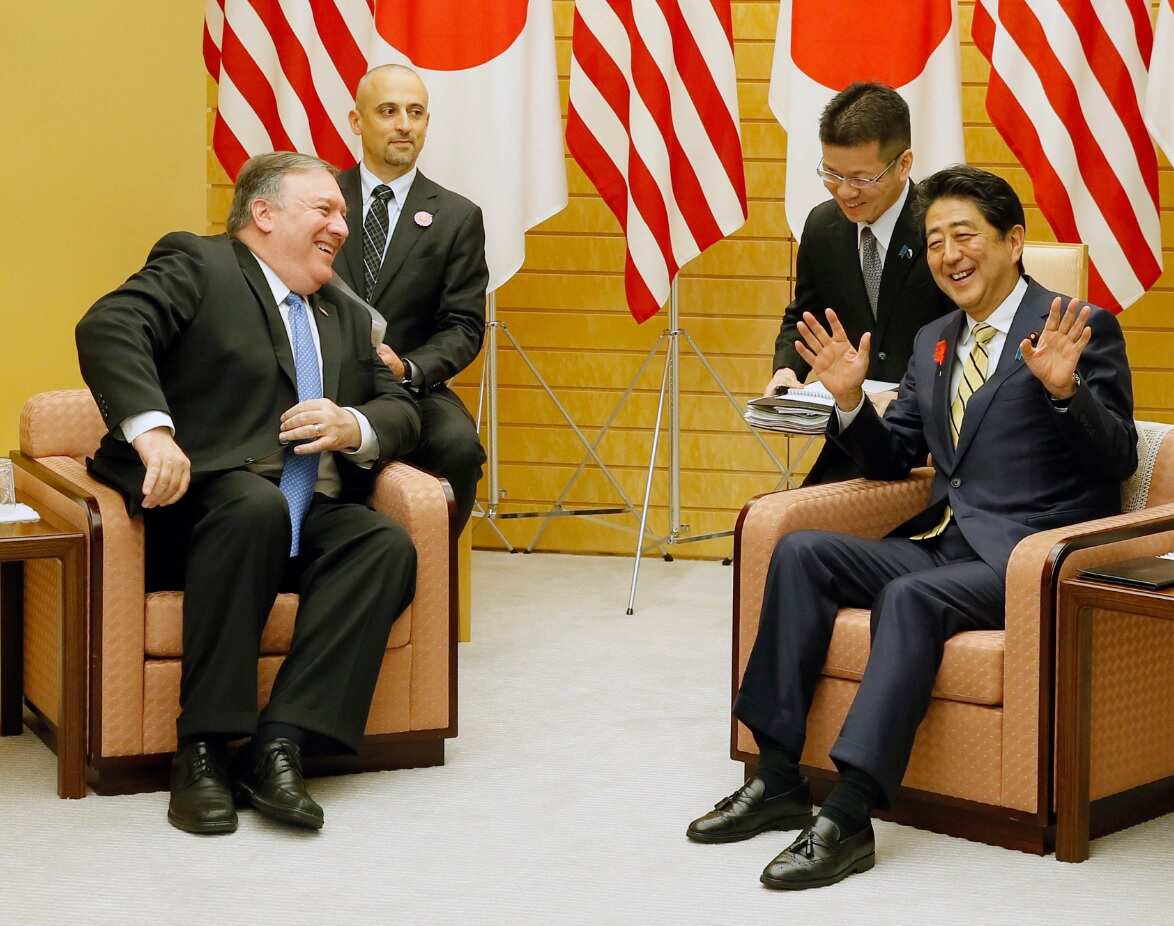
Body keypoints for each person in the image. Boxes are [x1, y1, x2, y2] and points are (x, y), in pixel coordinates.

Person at [688, 165, 1137, 889]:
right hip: (950, 543)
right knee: (801, 553)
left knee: (910, 601)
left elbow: (1117, 454)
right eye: (934, 242)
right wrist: (848, 405)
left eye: (965, 236)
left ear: (1013, 241)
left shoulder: (1074, 326)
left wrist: (1065, 392)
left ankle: (850, 813)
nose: (949, 255)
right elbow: (897, 460)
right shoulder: (934, 339)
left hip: (1029, 556)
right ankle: (774, 778)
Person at [76, 152, 422, 835]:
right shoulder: (199, 265)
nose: (341, 227)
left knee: (381, 543)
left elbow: (401, 408)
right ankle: (202, 750)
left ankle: (281, 745)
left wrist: (352, 423)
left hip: (302, 513)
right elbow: (110, 327)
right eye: (324, 210)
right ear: (264, 214)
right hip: (204, 511)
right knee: (252, 505)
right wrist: (154, 435)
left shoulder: (345, 314)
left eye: (344, 216)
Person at [766, 82, 954, 484]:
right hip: (855, 436)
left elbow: (972, 338)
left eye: (861, 178)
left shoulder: (941, 230)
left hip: (935, 442)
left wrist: (907, 398)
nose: (845, 192)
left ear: (904, 164)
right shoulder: (822, 226)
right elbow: (803, 313)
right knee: (774, 529)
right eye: (831, 174)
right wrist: (786, 372)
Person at [335, 63, 488, 532]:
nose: (404, 124)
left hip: (408, 387)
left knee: (460, 448)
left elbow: (463, 326)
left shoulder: (457, 217)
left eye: (416, 112)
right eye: (388, 110)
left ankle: (430, 586)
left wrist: (409, 367)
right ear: (357, 122)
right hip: (315, 382)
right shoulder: (317, 199)